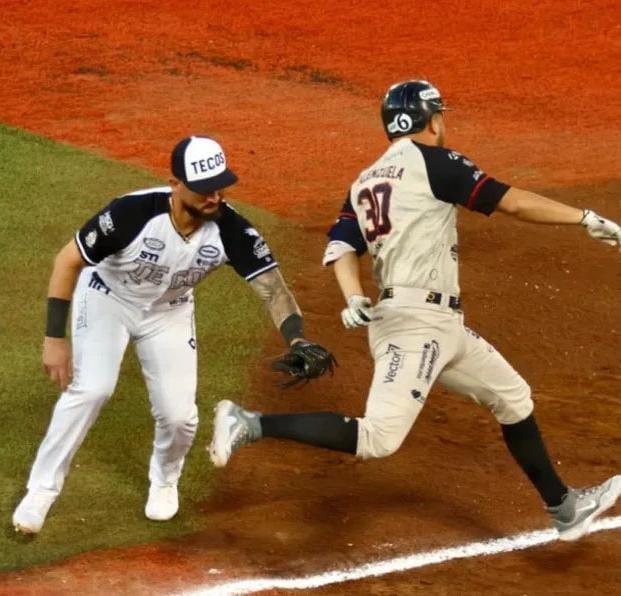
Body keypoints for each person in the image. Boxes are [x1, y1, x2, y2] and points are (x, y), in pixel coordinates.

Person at [209, 80, 621, 542]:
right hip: (415, 326)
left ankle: (564, 508)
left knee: (513, 398)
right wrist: (585, 219)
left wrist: (352, 296)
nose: (443, 123)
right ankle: (249, 423)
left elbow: (341, 245)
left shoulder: (365, 180)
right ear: (429, 118)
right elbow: (513, 202)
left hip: (438, 323)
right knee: (378, 438)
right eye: (439, 114)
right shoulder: (435, 162)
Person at [13, 135, 333, 534]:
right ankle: (41, 491)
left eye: (219, 185)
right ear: (175, 184)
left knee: (180, 417)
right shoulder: (131, 214)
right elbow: (67, 260)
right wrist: (54, 339)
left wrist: (297, 338)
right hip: (107, 298)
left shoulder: (231, 229)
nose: (214, 196)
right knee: (93, 388)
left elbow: (273, 288)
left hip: (169, 310)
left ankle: (165, 480)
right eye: (203, 189)